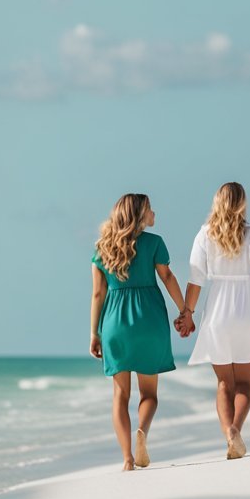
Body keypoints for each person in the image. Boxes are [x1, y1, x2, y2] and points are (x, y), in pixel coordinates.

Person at [177, 182, 250, 460]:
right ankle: (236, 428)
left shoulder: (204, 234)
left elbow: (196, 278)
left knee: (224, 384)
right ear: (242, 203)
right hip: (245, 311)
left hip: (217, 310)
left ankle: (228, 433)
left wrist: (187, 313)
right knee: (245, 386)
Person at [91, 193, 187, 470]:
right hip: (149, 319)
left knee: (120, 395)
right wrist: (184, 311)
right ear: (139, 214)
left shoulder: (102, 248)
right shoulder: (154, 243)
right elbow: (167, 277)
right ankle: (142, 431)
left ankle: (127, 459)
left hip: (114, 322)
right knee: (149, 394)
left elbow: (98, 294)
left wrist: (95, 334)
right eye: (149, 209)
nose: (154, 212)